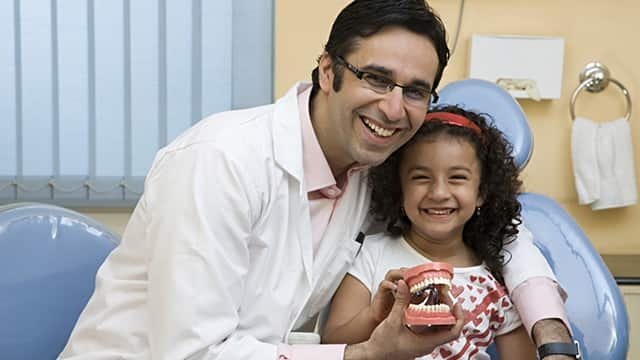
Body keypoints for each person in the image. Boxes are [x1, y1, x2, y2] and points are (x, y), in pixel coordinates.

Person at [60, 1, 574, 359]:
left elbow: (498, 229)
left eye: (416, 91)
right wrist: (363, 354)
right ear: (328, 71)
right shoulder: (220, 163)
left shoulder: (374, 171)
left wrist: (551, 335)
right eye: (376, 78)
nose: (394, 109)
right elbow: (193, 353)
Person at [322, 106, 538, 359]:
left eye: (457, 178)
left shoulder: (498, 276)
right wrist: (375, 315)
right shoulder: (370, 255)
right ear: (398, 188)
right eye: (421, 177)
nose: (438, 193)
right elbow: (332, 344)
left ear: (481, 193)